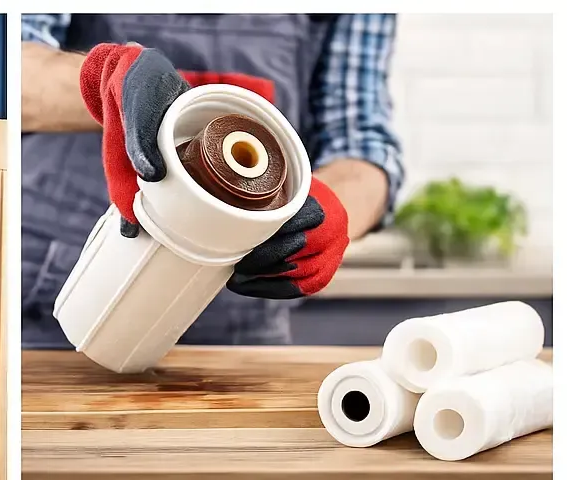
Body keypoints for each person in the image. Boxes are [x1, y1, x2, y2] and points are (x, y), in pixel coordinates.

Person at [22, 14, 404, 349]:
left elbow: (361, 139)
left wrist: (331, 208)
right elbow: (2, 67)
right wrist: (102, 78)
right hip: (61, 291)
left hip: (240, 321)